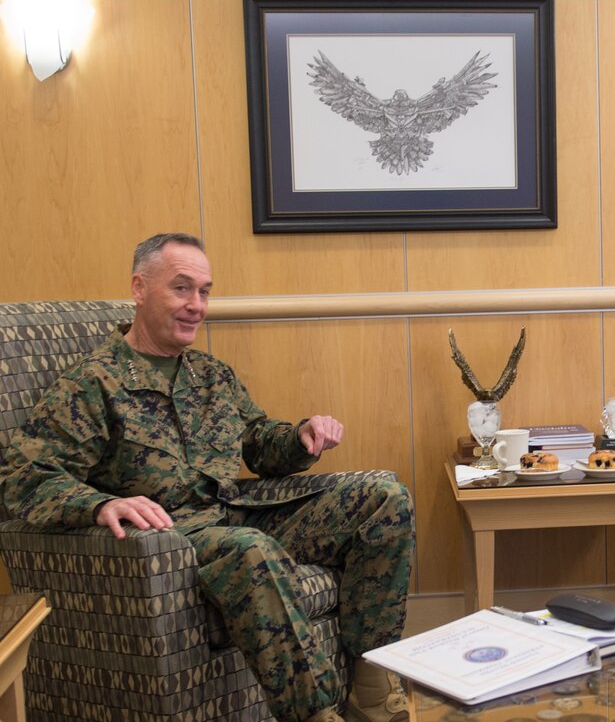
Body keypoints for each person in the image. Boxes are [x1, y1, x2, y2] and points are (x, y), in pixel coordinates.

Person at [1, 233, 415, 722]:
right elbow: (23, 476)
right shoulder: (94, 384)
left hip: (233, 514)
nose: (196, 305)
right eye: (181, 289)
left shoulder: (209, 375)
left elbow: (257, 442)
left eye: (204, 291)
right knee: (250, 549)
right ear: (139, 287)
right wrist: (97, 505)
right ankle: (318, 714)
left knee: (384, 499)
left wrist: (300, 434)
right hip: (169, 541)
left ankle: (370, 682)